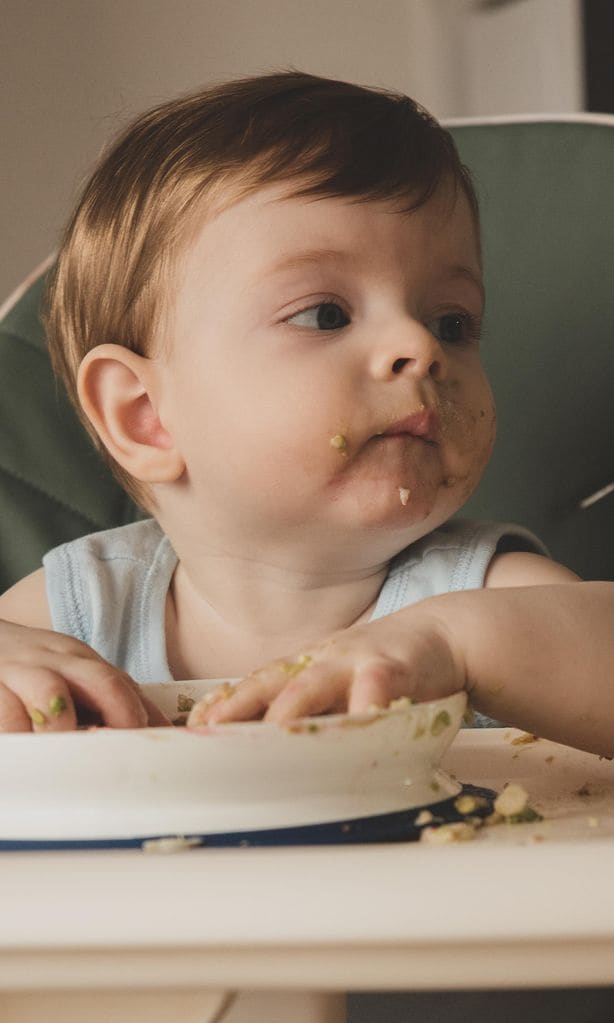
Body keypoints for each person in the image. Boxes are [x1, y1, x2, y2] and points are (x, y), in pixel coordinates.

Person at [0, 70, 612, 754]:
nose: (419, 347)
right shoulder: (84, 610)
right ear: (146, 415)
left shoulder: (484, 591)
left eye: (451, 322)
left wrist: (456, 644)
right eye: (326, 314)